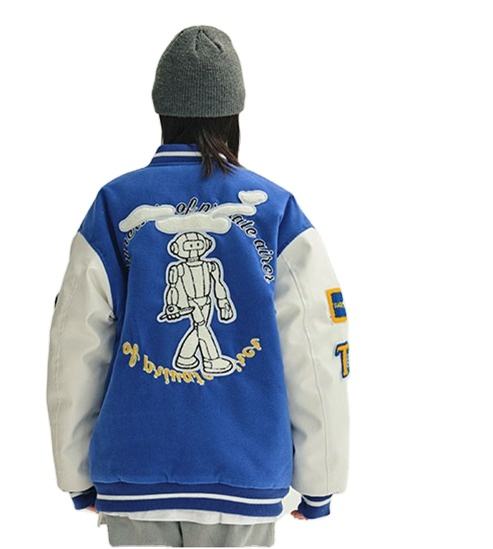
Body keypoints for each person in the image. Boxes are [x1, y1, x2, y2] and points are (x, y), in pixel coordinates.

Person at [46, 25, 350, 548]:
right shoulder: (277, 212)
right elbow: (316, 348)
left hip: (137, 471)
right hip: (245, 472)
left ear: (161, 109)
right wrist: (321, 479)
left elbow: (74, 346)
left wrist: (75, 471)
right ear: (235, 113)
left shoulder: (114, 207)